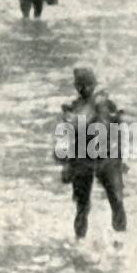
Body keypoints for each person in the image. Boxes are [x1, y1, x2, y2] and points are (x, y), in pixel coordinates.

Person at [54, 65, 127, 240]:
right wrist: (66, 165)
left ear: (93, 85)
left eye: (87, 84)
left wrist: (120, 158)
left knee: (116, 201)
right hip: (83, 159)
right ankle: (80, 241)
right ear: (77, 87)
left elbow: (118, 130)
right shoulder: (73, 109)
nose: (84, 88)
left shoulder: (105, 105)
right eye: (81, 85)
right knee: (82, 206)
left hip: (107, 157)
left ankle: (121, 240)